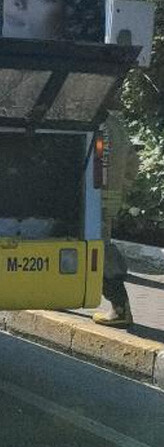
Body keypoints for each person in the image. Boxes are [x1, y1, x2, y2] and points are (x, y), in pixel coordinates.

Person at [93, 111, 139, 327]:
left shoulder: (87, 118)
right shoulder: (115, 125)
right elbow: (132, 161)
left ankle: (120, 309)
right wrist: (122, 189)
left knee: (102, 250)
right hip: (108, 200)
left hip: (90, 199)